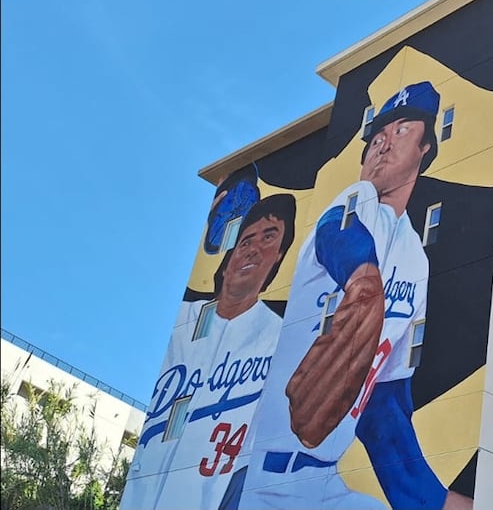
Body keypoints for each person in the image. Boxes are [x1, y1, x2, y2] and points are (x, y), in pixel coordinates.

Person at [236, 82, 473, 510]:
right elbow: (337, 236)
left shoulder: (416, 261)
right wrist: (364, 282)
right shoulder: (356, 201)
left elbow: (384, 412)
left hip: (322, 482)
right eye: (376, 137)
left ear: (426, 148)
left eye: (401, 130)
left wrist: (438, 502)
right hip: (260, 483)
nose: (382, 143)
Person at [122, 194, 297, 510]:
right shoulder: (188, 320)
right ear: (230, 256)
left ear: (279, 256)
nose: (253, 247)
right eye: (245, 240)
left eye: (269, 237)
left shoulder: (281, 334)